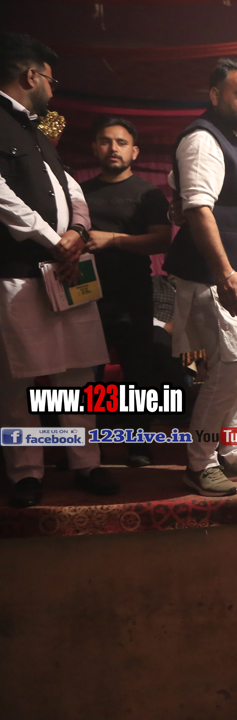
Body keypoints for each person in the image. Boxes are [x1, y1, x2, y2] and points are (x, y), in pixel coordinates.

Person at [0, 33, 115, 507]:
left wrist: (79, 231)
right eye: (50, 79)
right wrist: (54, 240)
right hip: (20, 270)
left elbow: (69, 186)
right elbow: (2, 198)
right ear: (31, 76)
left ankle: (85, 464)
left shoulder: (39, 126)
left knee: (80, 376)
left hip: (70, 267)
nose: (53, 88)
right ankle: (27, 473)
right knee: (18, 380)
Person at [164, 58, 237, 495]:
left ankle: (234, 452)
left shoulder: (235, 140)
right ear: (215, 95)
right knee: (227, 372)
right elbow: (198, 209)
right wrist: (224, 272)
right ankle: (200, 462)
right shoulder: (202, 139)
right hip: (220, 278)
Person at [81, 115, 171, 468]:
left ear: (134, 151)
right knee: (88, 375)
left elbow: (161, 240)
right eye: (105, 141)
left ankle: (138, 444)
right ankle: (90, 448)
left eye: (121, 142)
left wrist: (114, 240)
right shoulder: (79, 192)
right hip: (85, 295)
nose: (113, 148)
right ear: (95, 147)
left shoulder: (147, 193)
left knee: (137, 373)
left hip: (133, 294)